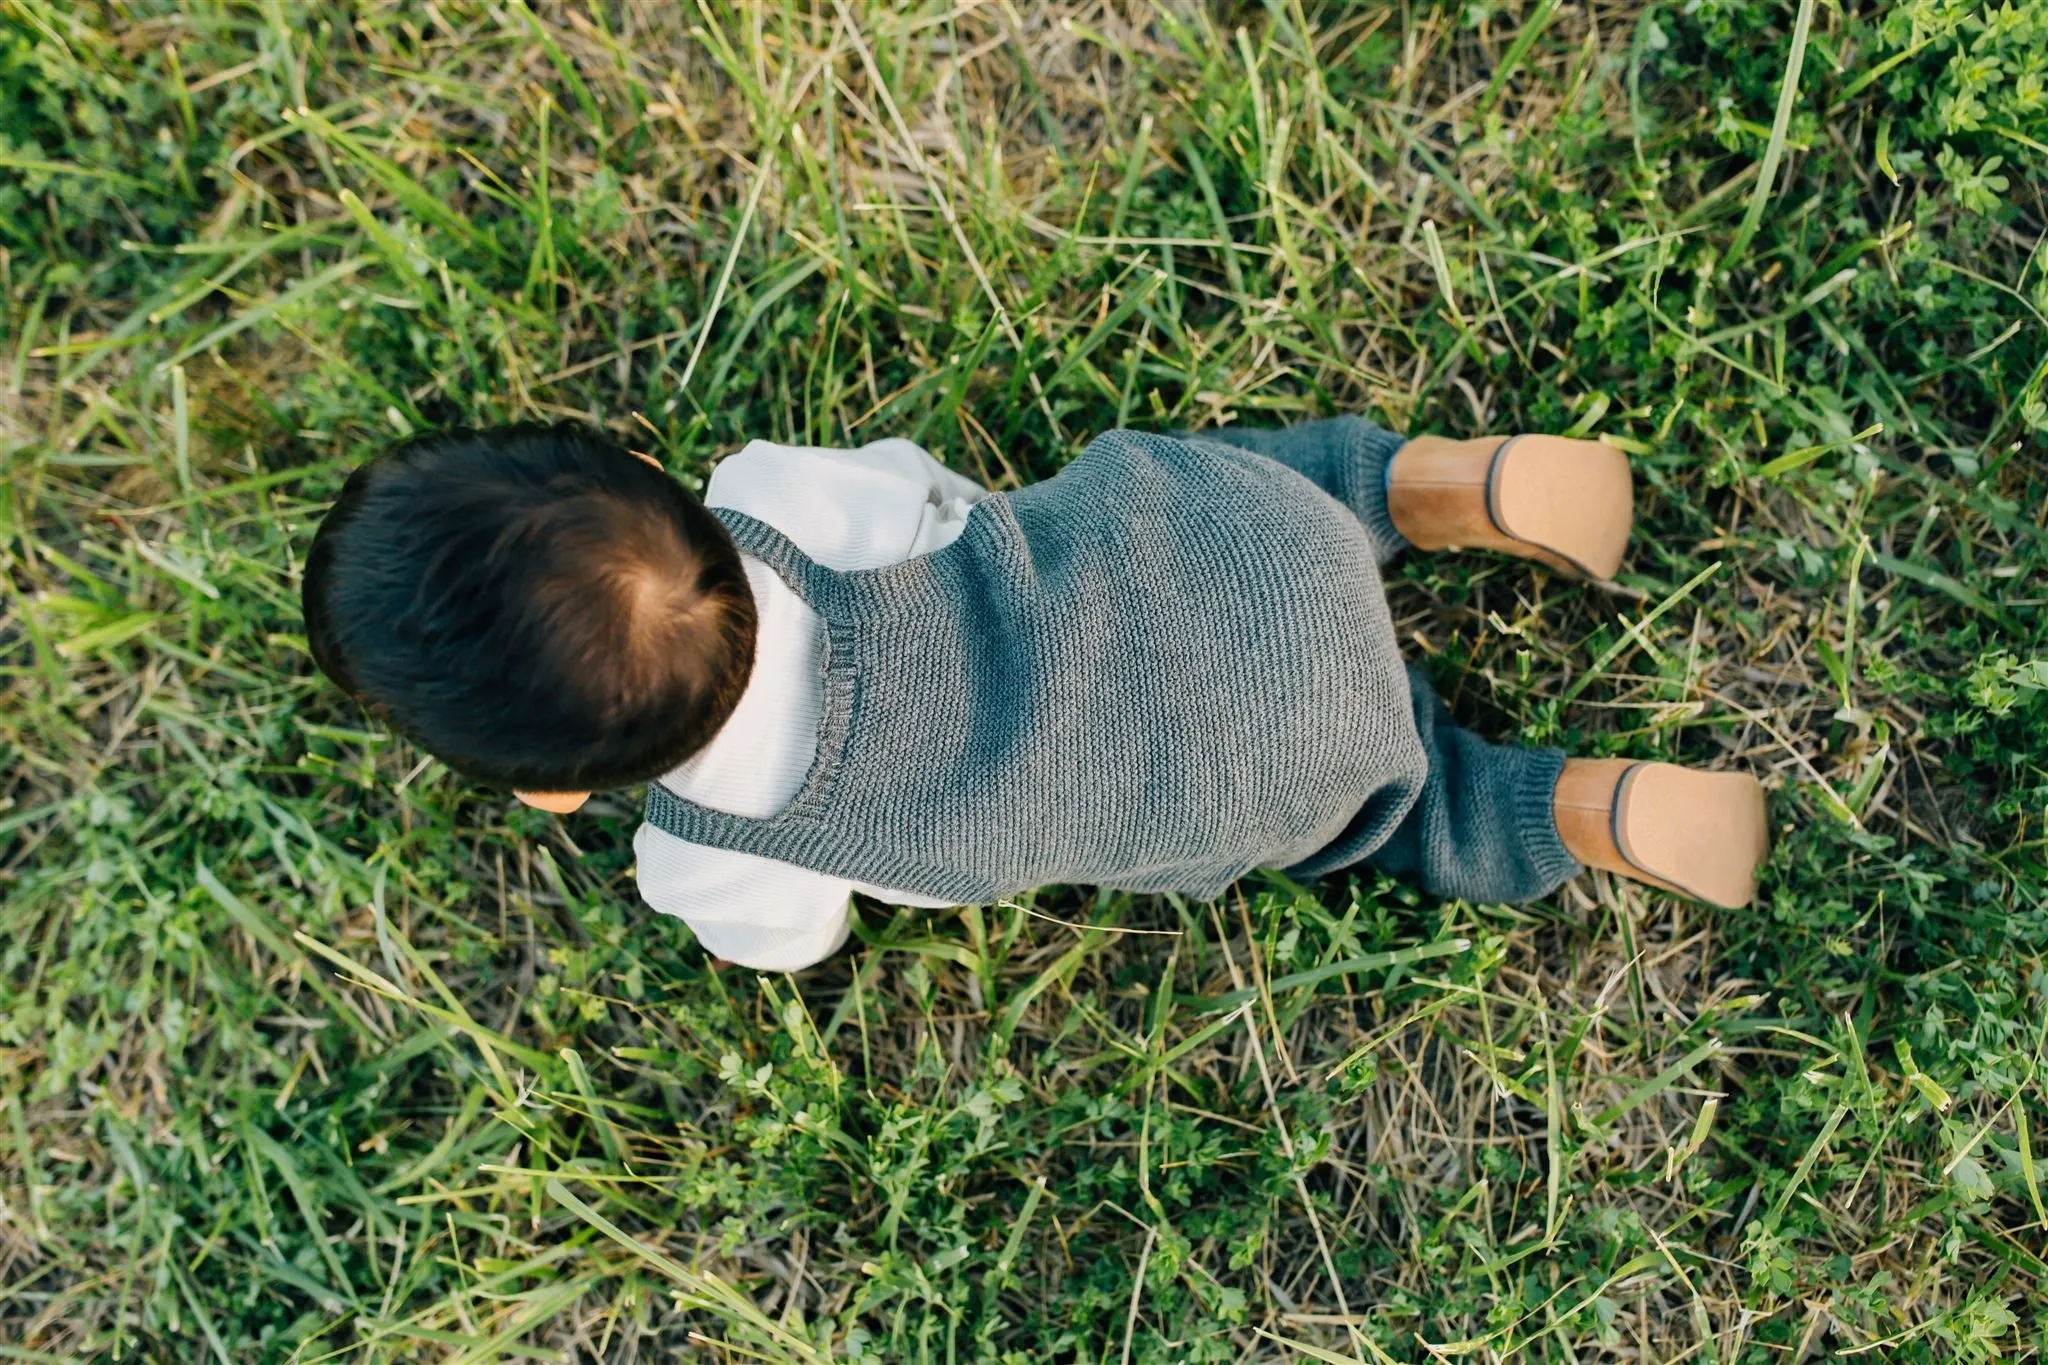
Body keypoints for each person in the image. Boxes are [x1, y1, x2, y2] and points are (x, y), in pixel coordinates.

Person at [301, 418, 1767, 971]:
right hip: (1243, 548)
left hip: (1264, 762)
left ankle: (1581, 808)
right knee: (1257, 493)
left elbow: (794, 950)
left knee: (1396, 810)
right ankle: (1430, 486)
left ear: (555, 786)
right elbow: (924, 487)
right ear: (665, 486)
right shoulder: (772, 496)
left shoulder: (722, 859)